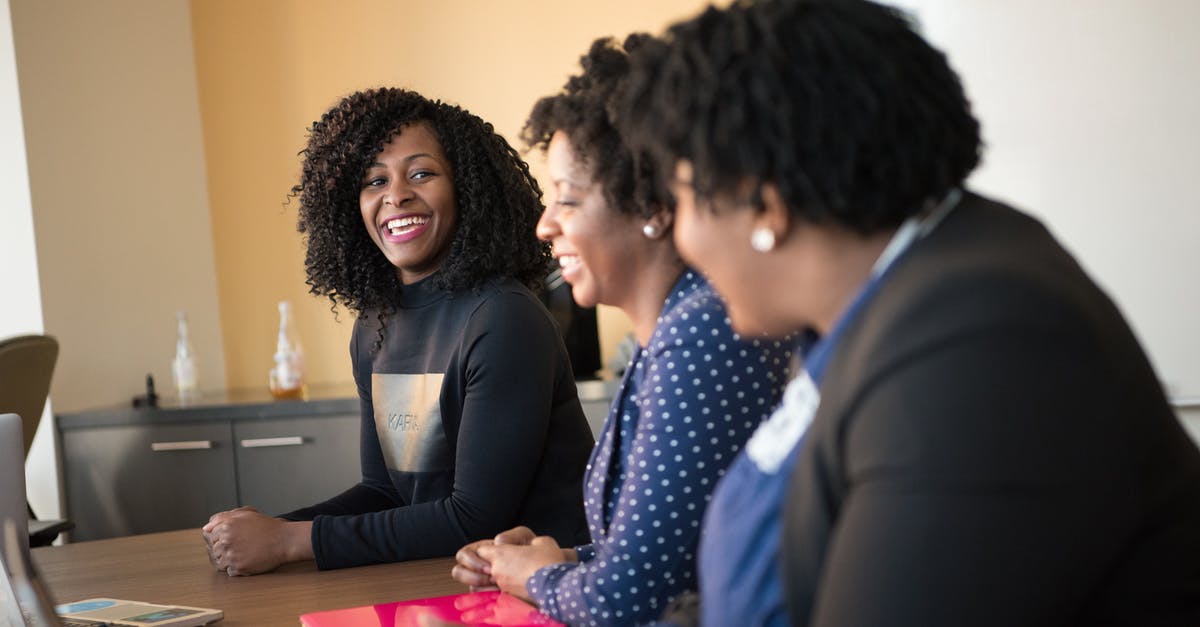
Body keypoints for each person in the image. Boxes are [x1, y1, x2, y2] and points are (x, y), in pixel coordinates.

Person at [623, 0, 1200, 625]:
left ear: (765, 205)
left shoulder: (978, 339)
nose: (679, 238)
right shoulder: (898, 296)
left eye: (679, 201)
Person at [448, 36, 794, 625]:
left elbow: (628, 599)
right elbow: (671, 555)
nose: (545, 225)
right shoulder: (671, 330)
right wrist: (561, 559)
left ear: (654, 206)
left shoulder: (702, 332)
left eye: (568, 200)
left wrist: (534, 575)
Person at [202, 88, 595, 576]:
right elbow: (385, 492)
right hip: (437, 577)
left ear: (466, 188)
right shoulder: (375, 323)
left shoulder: (503, 317)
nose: (396, 195)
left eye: (421, 173)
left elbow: (473, 516)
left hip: (543, 591)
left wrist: (288, 541)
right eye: (374, 181)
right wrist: (270, 530)